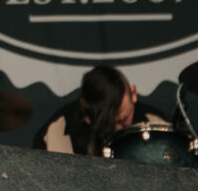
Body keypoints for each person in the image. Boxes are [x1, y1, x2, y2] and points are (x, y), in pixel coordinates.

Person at [33, 65, 168, 156]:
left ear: (133, 93)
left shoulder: (158, 126)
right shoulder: (55, 133)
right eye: (107, 123)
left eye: (123, 119)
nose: (117, 129)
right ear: (86, 109)